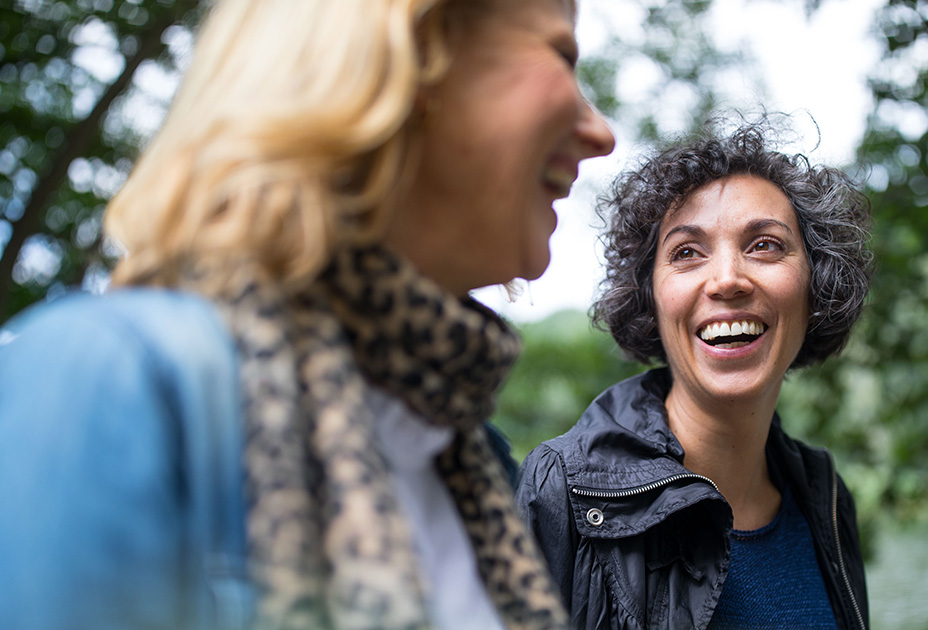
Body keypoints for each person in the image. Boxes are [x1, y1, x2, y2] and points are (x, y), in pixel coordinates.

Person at [0, 0, 614, 628]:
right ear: (414, 55)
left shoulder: (467, 459)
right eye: (562, 55)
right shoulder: (111, 382)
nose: (602, 134)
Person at [515, 121, 873, 630]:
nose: (727, 278)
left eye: (765, 245)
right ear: (651, 299)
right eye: (686, 252)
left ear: (815, 288)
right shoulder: (562, 491)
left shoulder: (827, 499)